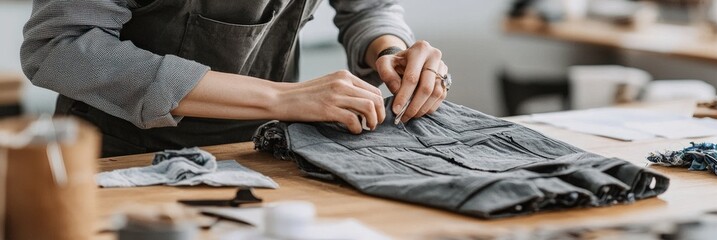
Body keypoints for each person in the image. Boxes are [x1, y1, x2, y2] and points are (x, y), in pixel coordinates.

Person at [20, 0, 449, 157]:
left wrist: (390, 50)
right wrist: (282, 99)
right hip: (123, 156)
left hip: (264, 152)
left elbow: (369, 8)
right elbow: (58, 46)